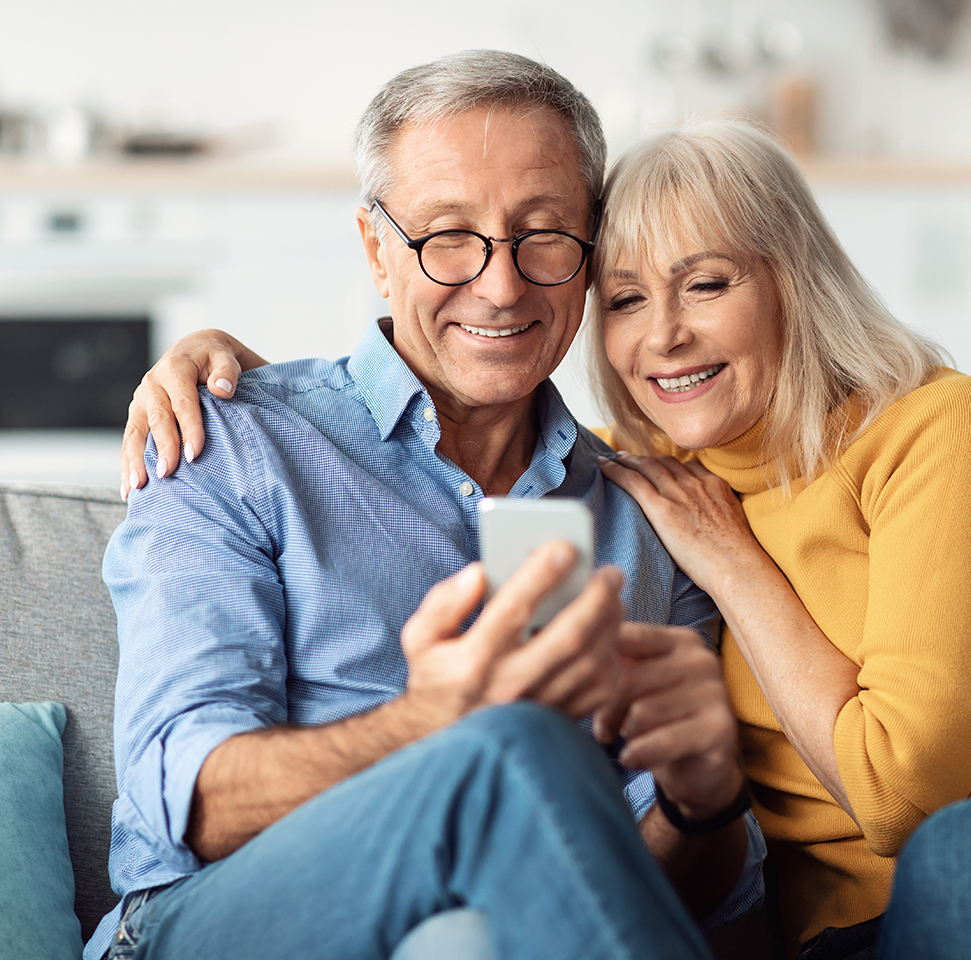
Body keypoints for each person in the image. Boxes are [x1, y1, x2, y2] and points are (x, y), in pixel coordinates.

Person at [136, 118, 971, 960]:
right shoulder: (623, 479)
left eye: (709, 284)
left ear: (794, 281)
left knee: (965, 852)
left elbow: (905, 796)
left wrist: (732, 561)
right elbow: (425, 414)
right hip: (853, 935)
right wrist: (237, 380)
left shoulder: (921, 427)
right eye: (629, 299)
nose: (664, 335)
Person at [94, 53, 769, 960]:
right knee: (516, 749)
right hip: (211, 924)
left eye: (543, 234)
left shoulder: (647, 515)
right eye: (447, 235)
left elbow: (664, 890)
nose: (500, 284)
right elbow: (194, 803)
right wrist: (429, 728)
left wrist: (704, 798)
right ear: (377, 250)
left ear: (591, 255)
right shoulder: (230, 443)